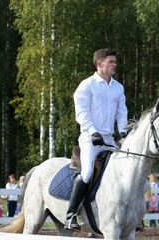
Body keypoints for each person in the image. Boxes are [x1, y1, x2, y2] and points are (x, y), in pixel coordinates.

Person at [64, 48, 128, 231]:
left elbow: (122, 112)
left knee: (125, 171)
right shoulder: (86, 85)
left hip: (109, 140)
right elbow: (81, 114)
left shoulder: (118, 88)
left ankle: (131, 215)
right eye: (111, 61)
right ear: (99, 64)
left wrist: (123, 130)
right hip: (89, 140)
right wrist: (93, 132)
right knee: (87, 174)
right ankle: (71, 215)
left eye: (115, 61)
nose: (115, 64)